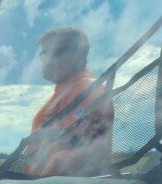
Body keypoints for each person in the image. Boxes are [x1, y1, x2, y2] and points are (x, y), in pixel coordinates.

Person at [25, 27, 112, 176]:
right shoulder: (63, 94)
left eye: (57, 52)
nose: (49, 59)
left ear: (80, 53)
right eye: (44, 54)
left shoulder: (88, 92)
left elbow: (97, 148)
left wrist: (56, 163)